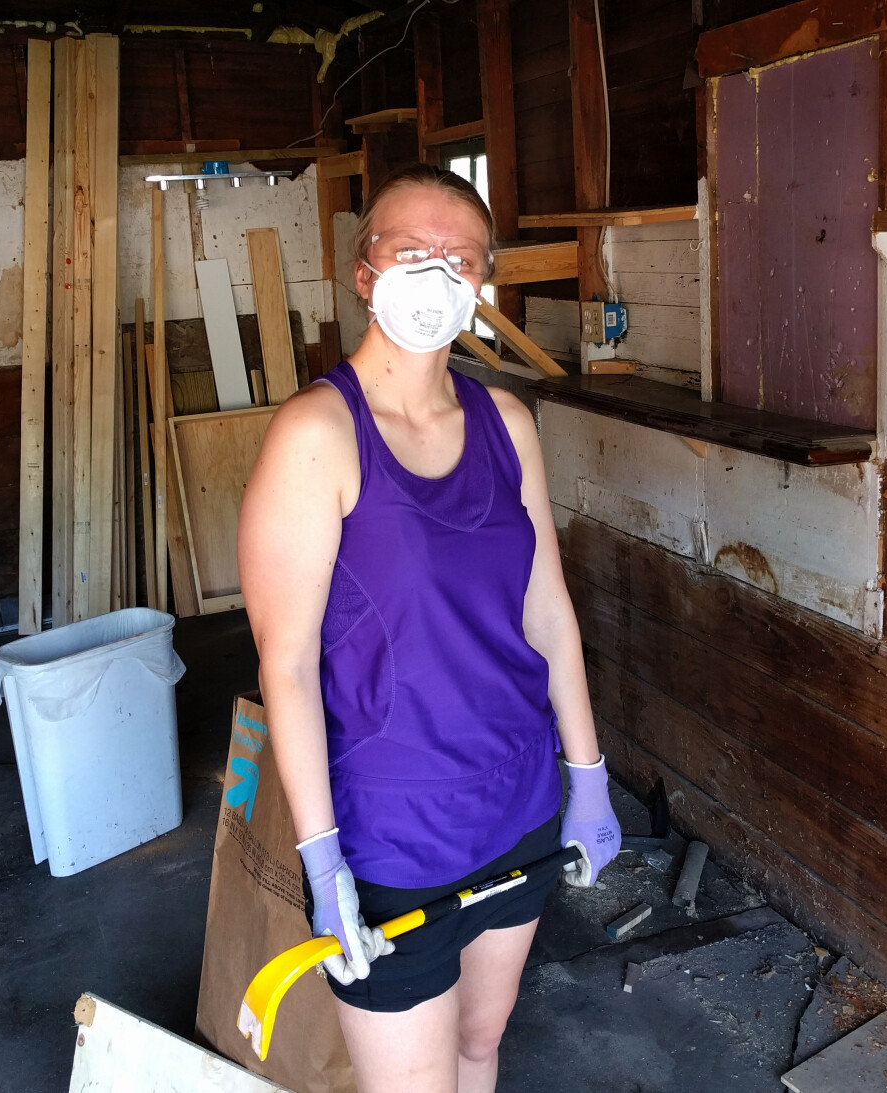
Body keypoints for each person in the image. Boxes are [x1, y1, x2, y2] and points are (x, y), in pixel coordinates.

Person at [237, 163, 620, 1093]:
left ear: (484, 283)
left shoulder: (508, 423)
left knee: (480, 1046)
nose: (436, 275)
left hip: (520, 805)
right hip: (392, 837)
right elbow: (284, 665)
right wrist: (322, 859)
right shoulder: (315, 434)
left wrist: (589, 774)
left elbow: (548, 611)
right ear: (364, 272)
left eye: (461, 259)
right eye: (413, 252)